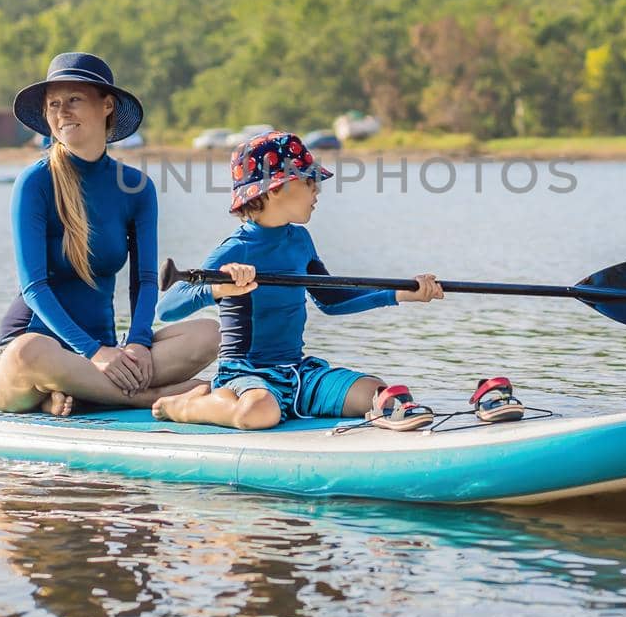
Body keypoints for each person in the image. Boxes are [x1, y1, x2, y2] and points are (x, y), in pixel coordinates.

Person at [152, 131, 445, 432]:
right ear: (275, 189)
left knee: (374, 392)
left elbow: (332, 300)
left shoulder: (300, 240)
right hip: (244, 376)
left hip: (297, 372)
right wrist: (218, 288)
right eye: (309, 181)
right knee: (260, 412)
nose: (317, 190)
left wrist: (400, 293)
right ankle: (185, 405)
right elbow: (167, 308)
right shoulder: (236, 248)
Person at [0, 53, 218, 415]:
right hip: (33, 358)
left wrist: (138, 343)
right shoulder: (35, 182)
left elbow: (143, 280)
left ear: (106, 105)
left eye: (74, 100)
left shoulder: (136, 187)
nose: (62, 112)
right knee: (29, 351)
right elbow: (34, 288)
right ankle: (148, 398)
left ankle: (78, 395)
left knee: (208, 334)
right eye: (54, 104)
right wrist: (91, 352)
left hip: (109, 354)